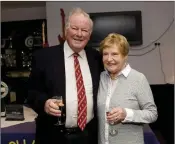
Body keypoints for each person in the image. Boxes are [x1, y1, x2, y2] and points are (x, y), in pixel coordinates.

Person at [27, 7, 103, 144]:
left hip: (89, 136)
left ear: (89, 35)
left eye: (84, 30)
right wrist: (44, 103)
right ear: (66, 30)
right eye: (75, 28)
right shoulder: (44, 57)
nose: (79, 34)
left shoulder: (96, 58)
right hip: (53, 137)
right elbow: (31, 93)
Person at [97, 33, 158, 144]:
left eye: (115, 54)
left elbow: (152, 114)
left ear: (125, 56)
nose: (109, 59)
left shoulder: (138, 79)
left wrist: (127, 114)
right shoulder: (101, 77)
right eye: (105, 54)